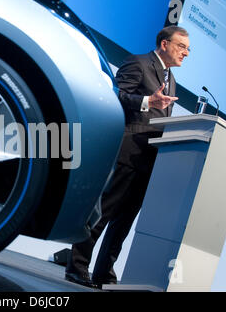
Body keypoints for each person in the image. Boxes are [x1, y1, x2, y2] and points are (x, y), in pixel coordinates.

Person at [65, 26, 190, 288]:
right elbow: (117, 96)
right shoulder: (139, 63)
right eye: (181, 46)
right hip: (128, 150)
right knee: (103, 214)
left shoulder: (171, 78)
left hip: (150, 157)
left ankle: (103, 272)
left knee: (123, 223)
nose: (186, 53)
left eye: (188, 49)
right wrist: (147, 101)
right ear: (165, 44)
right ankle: (76, 266)